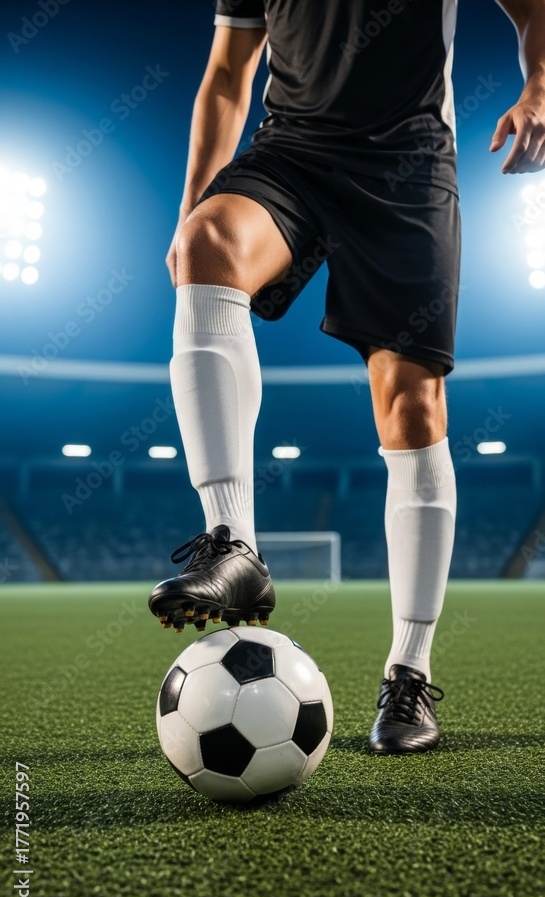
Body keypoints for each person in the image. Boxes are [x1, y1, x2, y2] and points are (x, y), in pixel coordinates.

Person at [149, 0, 545, 754]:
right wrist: (189, 205)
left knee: (411, 405)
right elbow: (229, 74)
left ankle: (408, 672)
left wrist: (538, 87)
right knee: (206, 243)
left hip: (407, 168)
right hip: (292, 151)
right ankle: (233, 544)